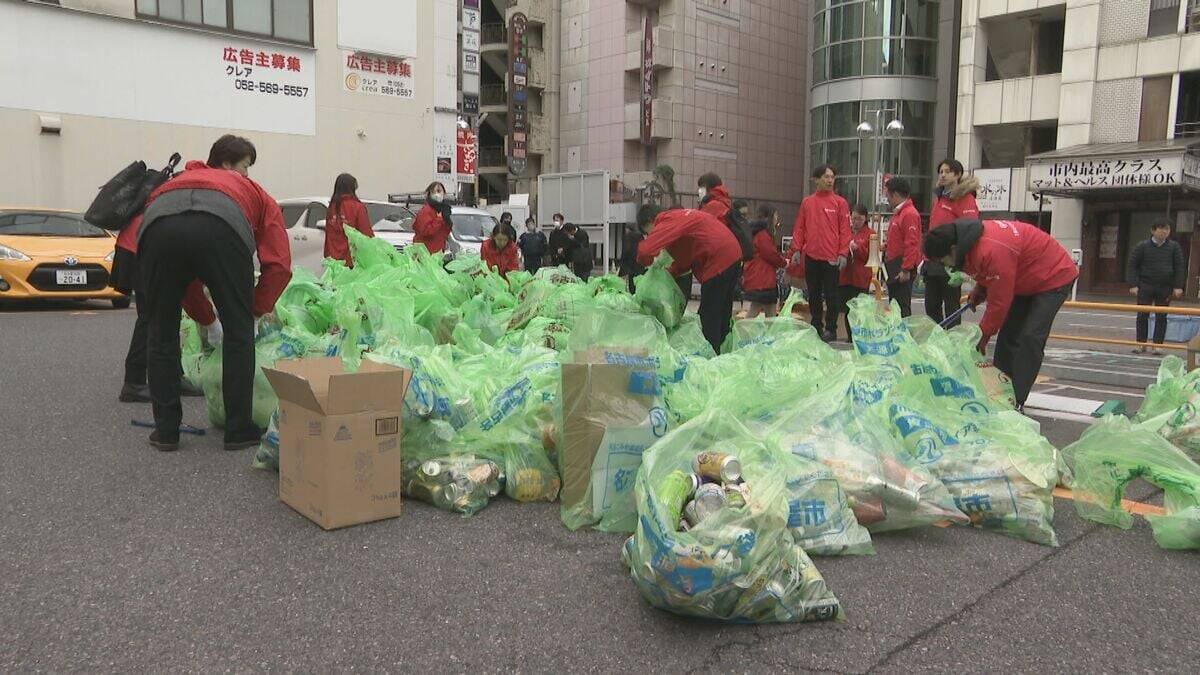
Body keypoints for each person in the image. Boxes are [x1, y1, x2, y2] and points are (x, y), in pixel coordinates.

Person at [135, 134, 292, 450]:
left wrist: (206, 320)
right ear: (229, 165)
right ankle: (238, 429)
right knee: (239, 332)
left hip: (157, 227)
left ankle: (166, 430)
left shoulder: (176, 181)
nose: (247, 174)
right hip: (223, 225)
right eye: (245, 166)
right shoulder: (253, 191)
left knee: (160, 330)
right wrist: (255, 310)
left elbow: (187, 282)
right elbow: (278, 263)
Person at [923, 219, 1078, 411]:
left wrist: (983, 335)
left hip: (1054, 276)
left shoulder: (990, 249)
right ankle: (1000, 392)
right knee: (1008, 335)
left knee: (1031, 337)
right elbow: (993, 275)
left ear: (953, 249)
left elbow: (999, 303)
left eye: (942, 260)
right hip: (1024, 278)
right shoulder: (970, 242)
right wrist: (980, 290)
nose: (945, 266)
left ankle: (1016, 401)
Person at [114, 210, 218, 403]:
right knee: (149, 315)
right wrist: (211, 322)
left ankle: (173, 377)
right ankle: (133, 382)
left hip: (145, 241)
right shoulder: (197, 204)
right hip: (141, 246)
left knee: (170, 312)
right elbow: (192, 288)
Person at [636, 205, 741, 353]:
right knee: (722, 314)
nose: (649, 235)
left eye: (647, 232)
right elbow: (687, 258)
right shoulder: (680, 217)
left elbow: (645, 250)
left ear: (649, 221)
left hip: (717, 259)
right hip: (733, 254)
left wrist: (646, 264)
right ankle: (724, 354)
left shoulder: (666, 221)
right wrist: (670, 273)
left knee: (709, 317)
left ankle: (709, 362)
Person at [788, 164, 851, 342]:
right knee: (813, 294)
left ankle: (831, 328)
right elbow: (799, 227)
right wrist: (796, 249)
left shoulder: (840, 203)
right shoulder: (807, 202)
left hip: (831, 258)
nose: (830, 180)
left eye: (832, 177)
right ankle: (816, 325)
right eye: (826, 177)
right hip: (812, 257)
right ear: (816, 179)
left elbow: (845, 230)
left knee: (832, 295)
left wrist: (843, 253)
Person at [925, 159, 979, 327]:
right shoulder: (940, 197)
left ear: (958, 175)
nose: (943, 175)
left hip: (951, 258)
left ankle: (953, 340)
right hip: (934, 259)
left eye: (947, 171)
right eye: (941, 171)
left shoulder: (964, 198)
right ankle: (939, 336)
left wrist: (962, 262)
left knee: (951, 305)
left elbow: (971, 228)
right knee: (931, 305)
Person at [1129, 220, 1186, 354]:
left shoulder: (1174, 247)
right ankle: (1141, 343)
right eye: (1161, 229)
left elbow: (1179, 267)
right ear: (1153, 231)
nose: (1164, 232)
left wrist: (1178, 286)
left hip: (1165, 286)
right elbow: (1132, 266)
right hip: (1145, 285)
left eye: (1167, 229)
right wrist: (1133, 284)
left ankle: (1157, 345)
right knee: (1142, 315)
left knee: (1162, 316)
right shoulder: (1142, 246)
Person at [883, 177, 923, 318]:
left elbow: (911, 243)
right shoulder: (899, 213)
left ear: (895, 195)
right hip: (893, 265)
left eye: (887, 194)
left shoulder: (909, 214)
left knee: (902, 306)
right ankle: (896, 335)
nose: (886, 198)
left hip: (901, 268)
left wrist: (905, 269)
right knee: (894, 305)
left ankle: (903, 336)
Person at [741, 203, 788, 318]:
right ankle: (743, 332)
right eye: (776, 215)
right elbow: (771, 254)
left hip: (760, 278)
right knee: (757, 309)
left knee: (768, 307)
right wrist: (784, 262)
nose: (777, 218)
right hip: (762, 279)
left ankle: (769, 333)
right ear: (769, 216)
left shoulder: (757, 232)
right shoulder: (763, 235)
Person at [839, 204, 874, 339]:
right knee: (847, 310)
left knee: (859, 310)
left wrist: (857, 249)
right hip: (845, 277)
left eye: (859, 219)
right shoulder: (846, 232)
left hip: (861, 278)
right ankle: (849, 336)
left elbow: (872, 257)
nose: (855, 222)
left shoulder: (871, 234)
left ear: (865, 218)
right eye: (853, 218)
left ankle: (859, 336)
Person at [323, 173, 373, 267]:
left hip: (333, 262)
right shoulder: (358, 207)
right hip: (352, 262)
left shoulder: (332, 208)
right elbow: (366, 234)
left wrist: (327, 255)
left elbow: (328, 235)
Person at [412, 181, 453, 254]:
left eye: (439, 191)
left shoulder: (445, 211)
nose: (437, 194)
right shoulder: (426, 211)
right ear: (429, 194)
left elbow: (444, 233)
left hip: (437, 253)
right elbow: (426, 232)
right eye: (434, 192)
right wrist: (439, 219)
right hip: (425, 254)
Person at [619, 223, 647, 294]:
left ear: (628, 229)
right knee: (639, 284)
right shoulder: (640, 237)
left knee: (631, 285)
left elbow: (625, 251)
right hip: (640, 264)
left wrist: (622, 263)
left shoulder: (627, 238)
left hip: (630, 265)